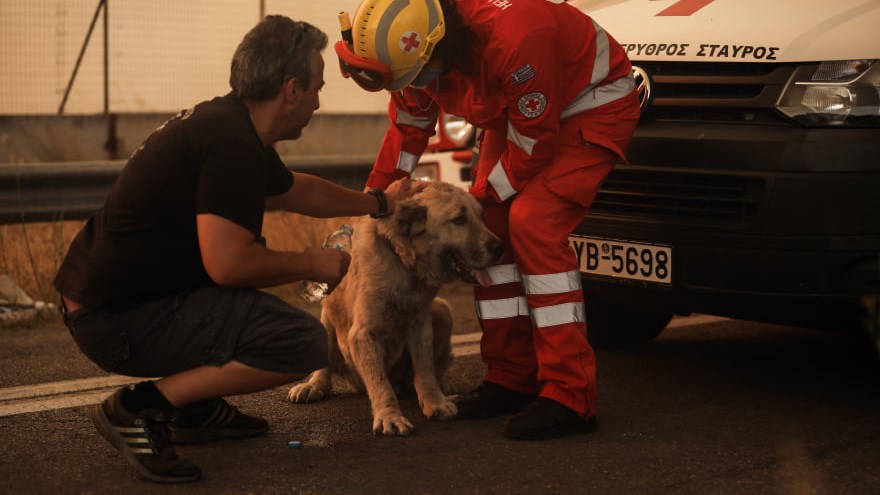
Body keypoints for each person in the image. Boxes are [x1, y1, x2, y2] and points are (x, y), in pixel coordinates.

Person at [53, 15, 417, 484]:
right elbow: (228, 265)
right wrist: (311, 262)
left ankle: (196, 409)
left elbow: (294, 191)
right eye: (316, 88)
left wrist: (378, 202)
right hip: (114, 321)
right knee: (299, 342)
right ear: (291, 89)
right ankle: (139, 408)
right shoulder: (231, 147)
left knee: (243, 313)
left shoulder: (227, 125)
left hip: (115, 303)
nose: (319, 103)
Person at [334, 0, 640, 440]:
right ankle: (511, 377)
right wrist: (372, 206)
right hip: (519, 114)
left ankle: (571, 395)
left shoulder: (517, 42)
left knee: (532, 223)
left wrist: (471, 201)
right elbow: (407, 131)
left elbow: (534, 144)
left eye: (415, 76)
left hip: (590, 105)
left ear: (437, 47)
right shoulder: (413, 54)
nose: (414, 86)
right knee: (489, 226)